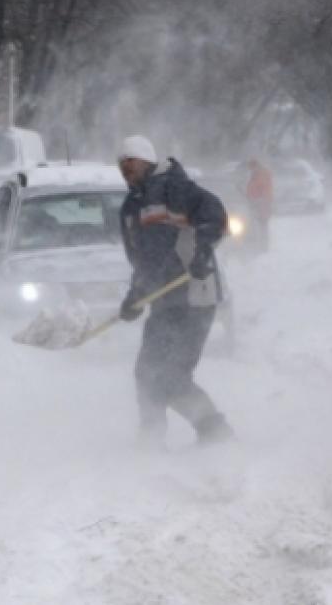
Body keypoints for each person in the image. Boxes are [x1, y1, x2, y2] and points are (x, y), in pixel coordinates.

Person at [116, 135, 234, 448]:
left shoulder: (176, 188)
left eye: (131, 162)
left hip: (195, 297)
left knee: (172, 376)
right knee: (146, 372)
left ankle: (216, 433)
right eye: (121, 164)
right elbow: (143, 260)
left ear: (147, 161)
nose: (126, 169)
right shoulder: (132, 207)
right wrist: (135, 296)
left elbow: (216, 217)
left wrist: (201, 252)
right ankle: (151, 437)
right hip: (164, 301)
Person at [244, 157, 273, 252]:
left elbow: (264, 189)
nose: (250, 169)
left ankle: (263, 247)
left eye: (251, 167)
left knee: (262, 225)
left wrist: (261, 200)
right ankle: (258, 245)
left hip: (261, 204)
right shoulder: (255, 174)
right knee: (256, 225)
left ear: (255, 166)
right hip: (255, 203)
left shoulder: (261, 174)